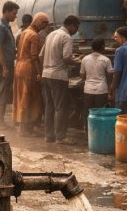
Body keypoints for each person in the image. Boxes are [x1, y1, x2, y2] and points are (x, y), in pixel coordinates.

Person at [41, 14, 80, 142]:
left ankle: (48, 135)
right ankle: (60, 137)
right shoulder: (66, 37)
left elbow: (41, 56)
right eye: (76, 28)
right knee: (60, 107)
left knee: (49, 106)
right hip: (58, 76)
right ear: (72, 25)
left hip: (46, 74)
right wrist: (78, 62)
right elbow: (66, 58)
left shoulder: (50, 35)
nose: (76, 31)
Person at [11, 12, 45, 136]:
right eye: (44, 24)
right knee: (29, 98)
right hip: (29, 69)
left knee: (20, 97)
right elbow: (34, 56)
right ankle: (26, 130)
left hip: (19, 66)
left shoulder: (24, 32)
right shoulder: (34, 36)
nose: (44, 27)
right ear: (38, 22)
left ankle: (22, 127)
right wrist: (39, 72)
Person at [0, 1, 19, 128]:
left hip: (2, 64)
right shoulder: (1, 27)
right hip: (1, 65)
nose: (15, 16)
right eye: (14, 13)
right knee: (1, 93)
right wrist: (5, 67)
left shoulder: (4, 25)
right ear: (6, 11)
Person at [79, 38, 113, 125]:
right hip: (101, 90)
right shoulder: (106, 60)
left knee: (88, 113)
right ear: (103, 47)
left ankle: (88, 132)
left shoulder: (85, 59)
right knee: (100, 113)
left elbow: (82, 75)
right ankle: (99, 133)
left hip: (88, 90)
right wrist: (110, 90)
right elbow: (110, 75)